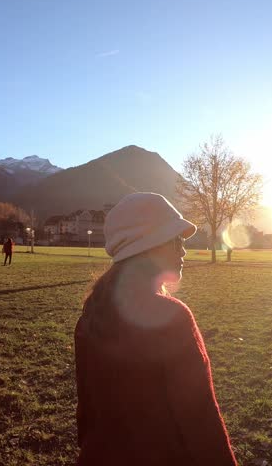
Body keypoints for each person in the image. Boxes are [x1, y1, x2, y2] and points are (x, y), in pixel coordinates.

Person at [74, 192, 237, 466]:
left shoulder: (90, 315)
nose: (183, 250)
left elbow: (86, 414)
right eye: (176, 240)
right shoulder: (171, 318)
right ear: (148, 247)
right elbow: (200, 420)